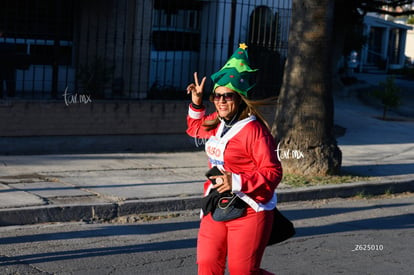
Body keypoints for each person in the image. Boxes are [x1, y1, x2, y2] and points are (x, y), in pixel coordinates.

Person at [186, 43, 283, 275]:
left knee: (243, 271)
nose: (220, 101)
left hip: (250, 208)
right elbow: (195, 129)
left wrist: (236, 181)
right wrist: (197, 102)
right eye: (216, 95)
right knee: (207, 264)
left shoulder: (254, 131)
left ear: (239, 98)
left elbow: (273, 172)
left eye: (227, 96)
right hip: (216, 203)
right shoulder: (216, 122)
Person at [0, 30, 16, 98]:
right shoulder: (10, 43)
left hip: (7, 63)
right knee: (9, 79)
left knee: (8, 79)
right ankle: (10, 94)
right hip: (8, 63)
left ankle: (9, 94)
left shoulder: (9, 42)